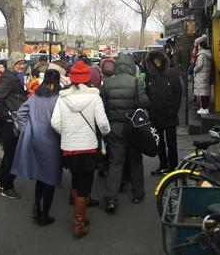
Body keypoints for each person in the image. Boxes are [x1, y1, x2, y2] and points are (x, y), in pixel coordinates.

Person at [51, 61, 110, 239]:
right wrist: (106, 133)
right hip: (88, 147)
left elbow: (54, 123)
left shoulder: (62, 98)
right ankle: (79, 224)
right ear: (88, 79)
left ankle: (81, 215)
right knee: (85, 184)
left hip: (69, 147)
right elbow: (102, 124)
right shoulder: (94, 97)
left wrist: (67, 133)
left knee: (76, 179)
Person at [12, 70, 63, 226]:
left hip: (35, 139)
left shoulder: (35, 97)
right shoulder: (59, 99)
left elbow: (20, 114)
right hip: (53, 141)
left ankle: (36, 206)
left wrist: (26, 128)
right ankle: (45, 214)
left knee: (40, 177)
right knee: (51, 179)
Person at [101, 53, 150, 213]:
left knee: (115, 162)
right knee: (135, 160)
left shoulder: (107, 83)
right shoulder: (135, 81)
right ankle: (138, 193)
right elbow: (144, 102)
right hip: (133, 126)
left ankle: (111, 198)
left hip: (114, 127)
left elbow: (102, 106)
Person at [0, 52, 28, 199]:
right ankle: (7, 186)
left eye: (23, 63)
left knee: (11, 153)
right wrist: (5, 116)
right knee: (13, 154)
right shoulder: (8, 78)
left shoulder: (14, 77)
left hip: (14, 119)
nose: (22, 65)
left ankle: (0, 180)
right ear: (12, 63)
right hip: (11, 121)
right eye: (19, 63)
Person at [144, 49, 182, 177]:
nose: (157, 62)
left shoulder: (172, 74)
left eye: (159, 59)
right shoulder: (150, 75)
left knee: (172, 142)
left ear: (163, 60)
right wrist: (150, 108)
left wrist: (174, 109)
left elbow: (178, 93)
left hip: (170, 114)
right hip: (155, 115)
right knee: (159, 142)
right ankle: (163, 165)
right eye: (154, 60)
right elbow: (147, 93)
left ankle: (173, 166)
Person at [194, 41, 212, 115]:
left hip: (201, 75)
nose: (197, 47)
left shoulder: (201, 55)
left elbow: (199, 65)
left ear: (201, 46)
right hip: (205, 74)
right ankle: (205, 107)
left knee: (203, 93)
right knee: (205, 91)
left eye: (198, 46)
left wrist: (194, 69)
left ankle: (204, 108)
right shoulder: (207, 53)